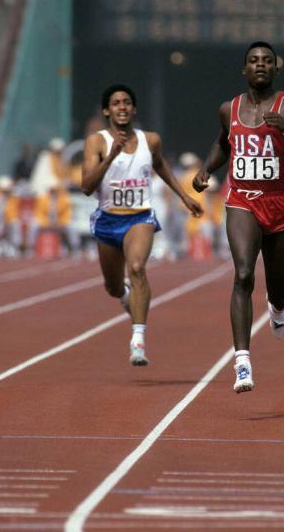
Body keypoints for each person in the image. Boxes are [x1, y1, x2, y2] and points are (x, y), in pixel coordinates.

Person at [192, 41, 284, 393]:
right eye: (253, 60)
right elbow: (224, 142)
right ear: (244, 69)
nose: (260, 65)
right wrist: (207, 168)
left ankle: (278, 308)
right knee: (242, 274)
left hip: (280, 205)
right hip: (242, 200)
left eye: (267, 61)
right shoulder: (230, 108)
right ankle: (242, 362)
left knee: (279, 289)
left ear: (275, 69)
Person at [82, 83, 203, 366]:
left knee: (136, 268)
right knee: (112, 287)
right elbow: (87, 186)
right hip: (108, 219)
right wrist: (111, 156)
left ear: (134, 109)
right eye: (115, 103)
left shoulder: (151, 140)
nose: (122, 107)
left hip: (140, 216)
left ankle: (137, 340)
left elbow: (160, 166)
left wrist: (185, 197)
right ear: (106, 111)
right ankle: (124, 295)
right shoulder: (96, 142)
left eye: (126, 102)